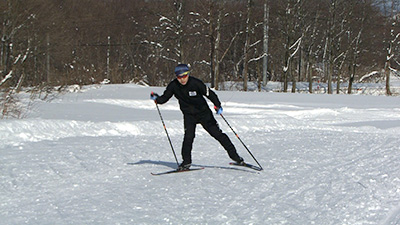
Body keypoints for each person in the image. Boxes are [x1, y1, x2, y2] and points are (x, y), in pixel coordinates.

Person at [150, 64, 244, 171]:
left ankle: (236, 157)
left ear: (188, 74)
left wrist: (217, 105)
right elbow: (164, 98)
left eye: (184, 76)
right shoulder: (173, 86)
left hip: (204, 114)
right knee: (188, 137)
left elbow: (211, 94)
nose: (182, 79)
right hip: (189, 116)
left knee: (218, 134)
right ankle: (186, 162)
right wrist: (157, 99)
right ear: (176, 77)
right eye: (179, 77)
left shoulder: (196, 83)